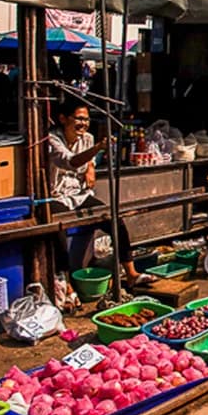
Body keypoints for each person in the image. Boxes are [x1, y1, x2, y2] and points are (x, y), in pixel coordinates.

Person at [47, 98, 153, 285]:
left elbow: (89, 164)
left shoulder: (87, 138)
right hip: (57, 196)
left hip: (80, 195)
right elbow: (70, 161)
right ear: (63, 119)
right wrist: (96, 150)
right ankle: (66, 285)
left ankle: (131, 273)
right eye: (79, 119)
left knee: (115, 220)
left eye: (86, 120)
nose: (83, 124)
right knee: (58, 231)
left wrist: (91, 166)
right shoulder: (53, 139)